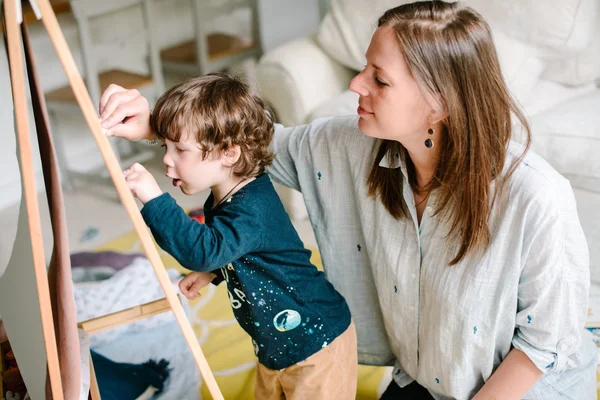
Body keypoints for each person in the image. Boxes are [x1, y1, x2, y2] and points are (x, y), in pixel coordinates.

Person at [99, 2, 596, 399]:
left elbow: (543, 345)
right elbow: (243, 142)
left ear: (438, 104)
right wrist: (157, 122)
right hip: (422, 381)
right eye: (363, 68)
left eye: (379, 79)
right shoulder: (347, 147)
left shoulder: (535, 197)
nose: (356, 84)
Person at [120, 73, 357, 400]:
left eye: (180, 150)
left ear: (228, 153)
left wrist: (154, 199)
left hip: (315, 341)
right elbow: (239, 249)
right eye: (166, 146)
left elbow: (205, 249)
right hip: (275, 344)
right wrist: (212, 272)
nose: (166, 160)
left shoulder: (251, 208)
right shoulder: (228, 196)